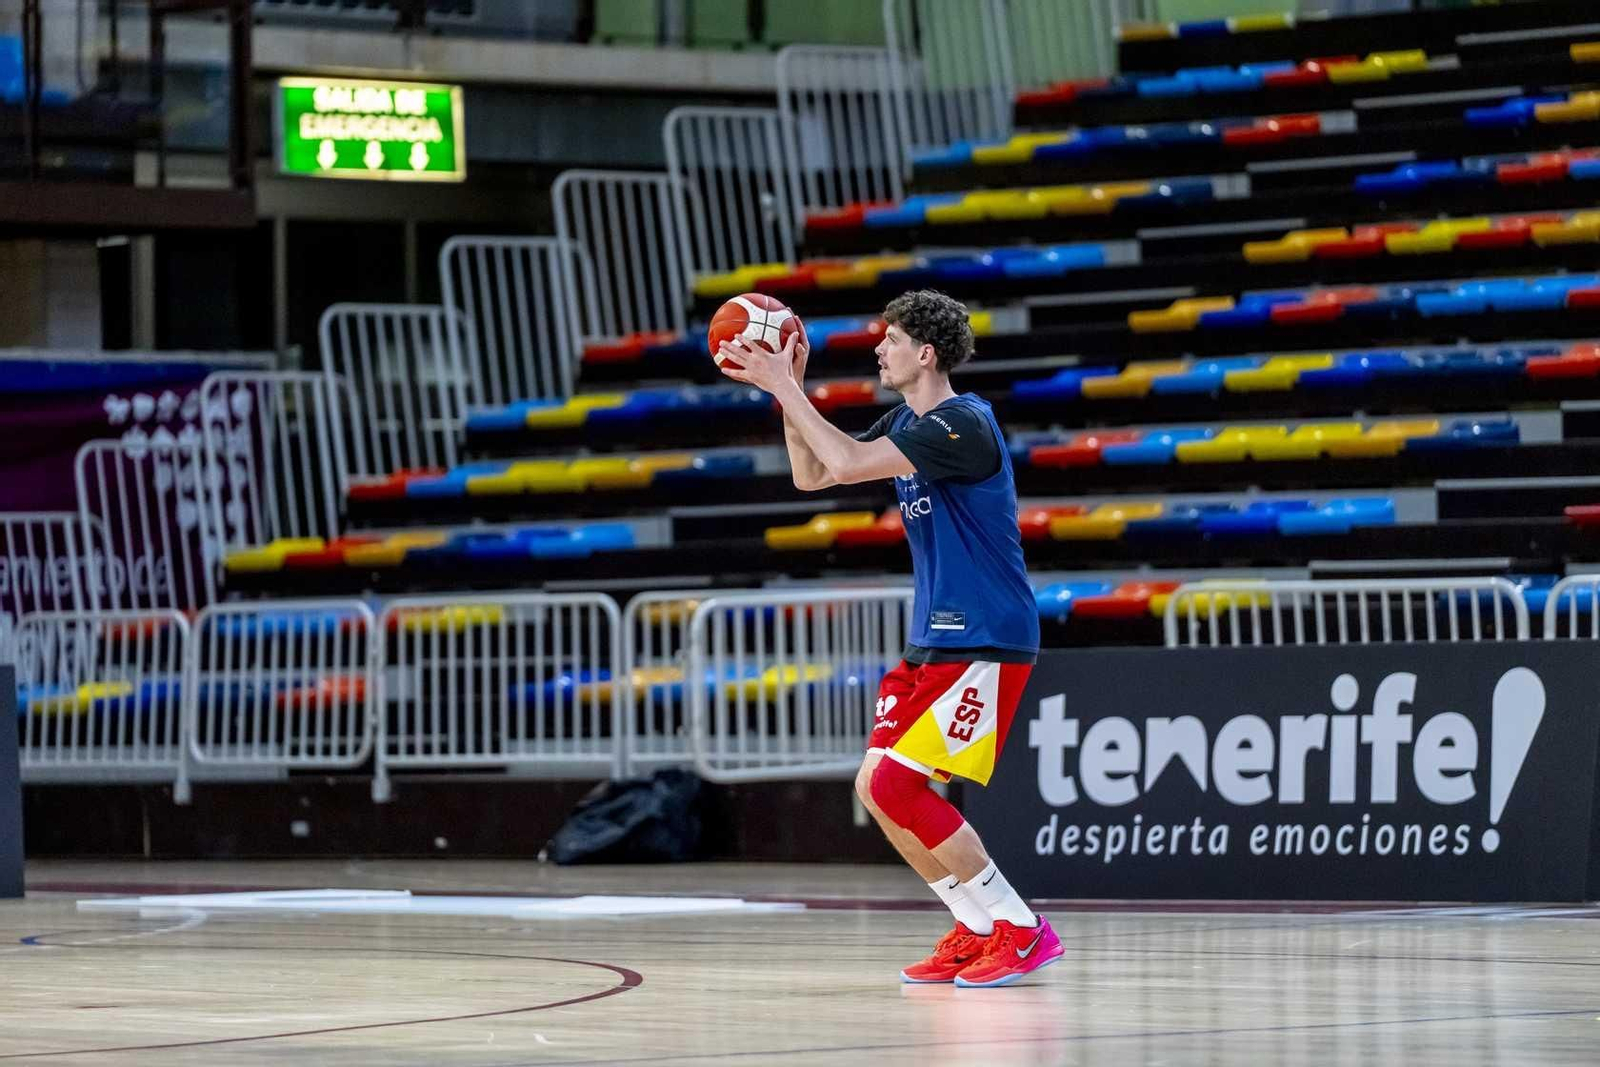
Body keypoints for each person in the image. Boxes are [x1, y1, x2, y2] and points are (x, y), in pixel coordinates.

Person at [716, 289, 1061, 988]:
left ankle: (1021, 927)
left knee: (901, 783)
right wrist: (791, 397)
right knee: (876, 786)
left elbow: (843, 464)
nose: (878, 349)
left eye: (892, 339)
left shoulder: (963, 423)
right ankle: (975, 926)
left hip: (987, 637)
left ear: (925, 353)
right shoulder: (907, 420)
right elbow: (813, 473)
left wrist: (785, 382)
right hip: (931, 638)